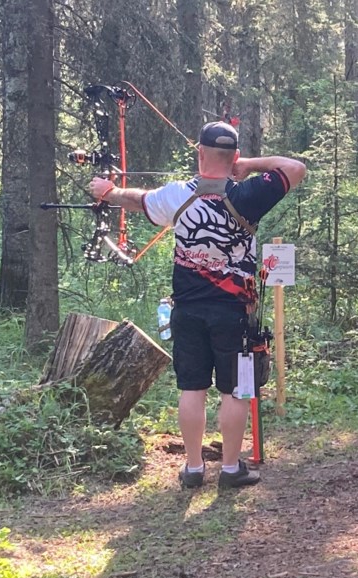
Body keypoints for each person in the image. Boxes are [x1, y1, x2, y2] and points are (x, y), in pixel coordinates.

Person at [88, 122, 307, 490]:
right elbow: (295, 168)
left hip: (187, 311)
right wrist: (250, 164)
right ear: (233, 157)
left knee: (192, 388)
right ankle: (230, 468)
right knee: (235, 390)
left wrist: (107, 192)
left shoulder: (176, 195)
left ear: (199, 154)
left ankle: (193, 468)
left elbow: (136, 199)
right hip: (235, 312)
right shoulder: (249, 194)